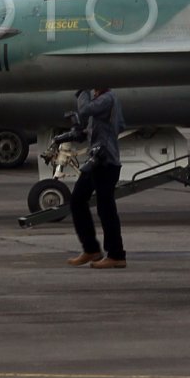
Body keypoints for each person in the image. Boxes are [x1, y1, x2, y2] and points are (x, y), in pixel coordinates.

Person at [67, 88, 127, 269]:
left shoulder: (107, 98)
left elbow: (84, 110)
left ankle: (116, 255)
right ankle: (91, 249)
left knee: (106, 209)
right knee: (77, 200)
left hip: (106, 163)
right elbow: (121, 124)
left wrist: (81, 91)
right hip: (96, 160)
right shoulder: (103, 100)